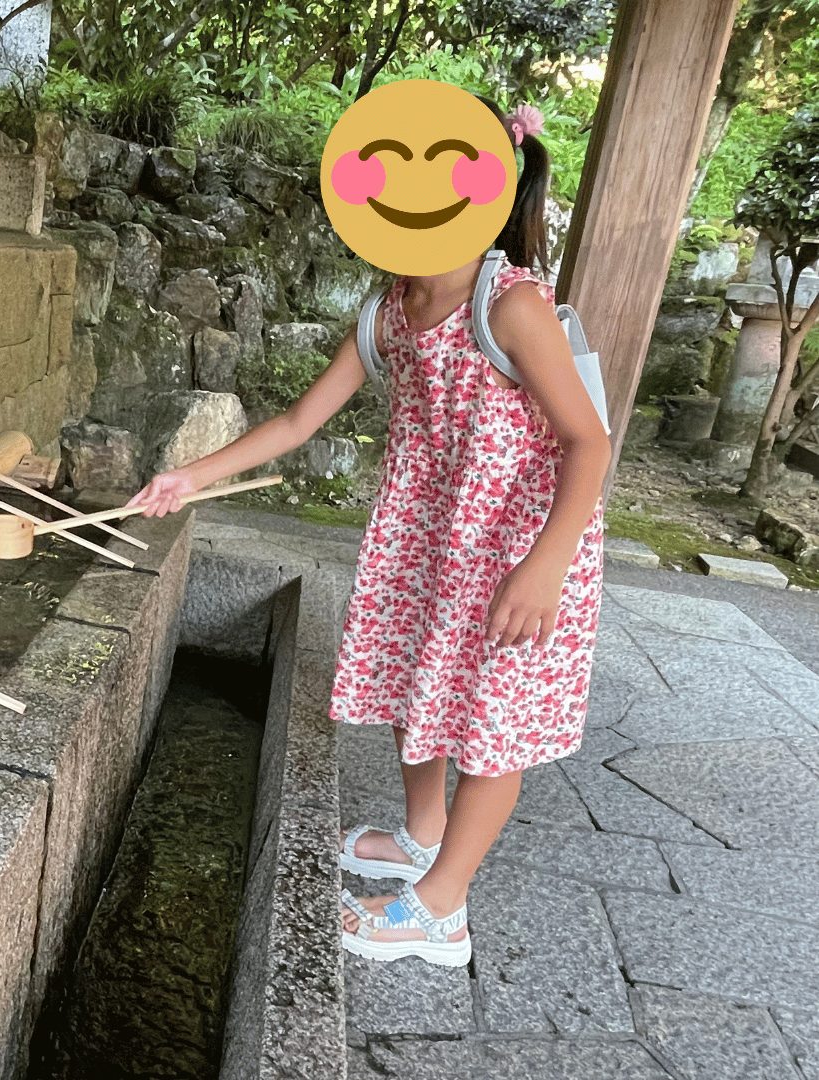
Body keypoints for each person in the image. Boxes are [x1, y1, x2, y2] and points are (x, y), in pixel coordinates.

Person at [127, 100, 609, 967]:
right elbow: (300, 419)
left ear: (485, 194)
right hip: (430, 537)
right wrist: (192, 476)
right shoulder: (390, 310)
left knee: (493, 722)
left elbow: (589, 441)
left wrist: (545, 566)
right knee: (405, 677)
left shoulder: (511, 306)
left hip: (520, 543)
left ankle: (441, 908)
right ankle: (426, 834)